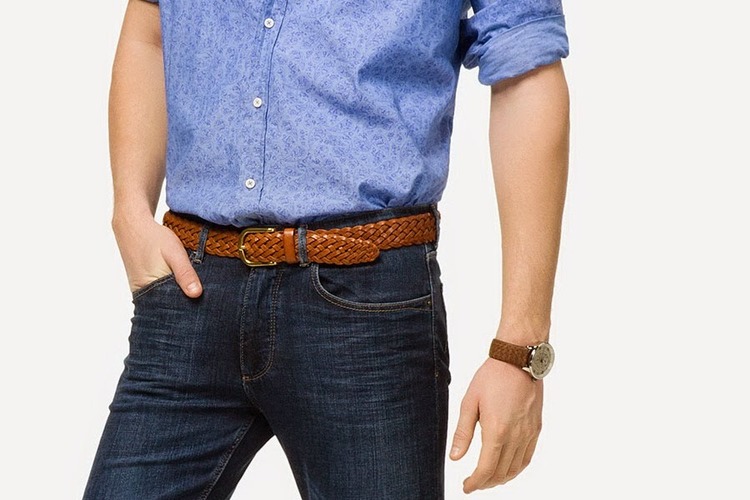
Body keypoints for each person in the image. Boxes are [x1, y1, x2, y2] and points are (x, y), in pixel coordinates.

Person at [82, 0, 570, 497]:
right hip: (190, 292)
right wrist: (129, 209)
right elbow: (150, 28)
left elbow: (526, 64)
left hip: (366, 305)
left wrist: (520, 348)